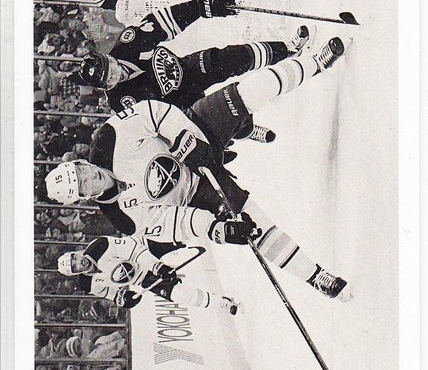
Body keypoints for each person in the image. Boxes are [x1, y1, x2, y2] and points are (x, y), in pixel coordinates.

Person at [46, 36, 351, 301]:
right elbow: (174, 221)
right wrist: (215, 229)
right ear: (84, 197)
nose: (90, 176)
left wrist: (185, 140)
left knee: (246, 92)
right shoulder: (121, 217)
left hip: (194, 132)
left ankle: (315, 61)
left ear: (81, 162)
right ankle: (316, 276)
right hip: (197, 190)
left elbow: (152, 112)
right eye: (83, 184)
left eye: (81, 170)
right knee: (252, 227)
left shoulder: (107, 140)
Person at [74, 0, 311, 144]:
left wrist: (202, 7)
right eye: (110, 80)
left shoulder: (128, 44)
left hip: (186, 70)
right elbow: (156, 126)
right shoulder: (121, 102)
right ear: (105, 87)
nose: (117, 74)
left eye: (112, 67)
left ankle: (287, 50)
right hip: (182, 106)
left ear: (110, 58)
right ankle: (246, 131)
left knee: (230, 58)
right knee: (225, 110)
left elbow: (165, 21)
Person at [57, 235, 238, 313]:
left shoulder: (100, 245)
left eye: (75, 258)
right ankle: (220, 303)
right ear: (76, 273)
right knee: (178, 295)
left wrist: (157, 266)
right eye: (75, 267)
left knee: (186, 240)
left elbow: (135, 251)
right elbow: (108, 292)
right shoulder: (87, 284)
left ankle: (223, 235)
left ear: (76, 253)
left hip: (146, 246)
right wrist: (122, 299)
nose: (79, 262)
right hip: (142, 277)